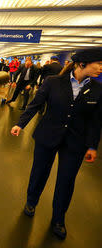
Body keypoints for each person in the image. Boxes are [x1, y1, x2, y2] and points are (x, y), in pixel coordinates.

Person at [10, 48, 102, 240]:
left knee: (66, 181)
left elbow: (95, 121)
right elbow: (35, 104)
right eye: (99, 64)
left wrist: (93, 146)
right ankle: (31, 201)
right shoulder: (53, 82)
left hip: (75, 142)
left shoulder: (98, 89)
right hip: (48, 135)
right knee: (39, 172)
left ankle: (58, 219)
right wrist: (20, 124)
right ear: (82, 63)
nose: (101, 68)